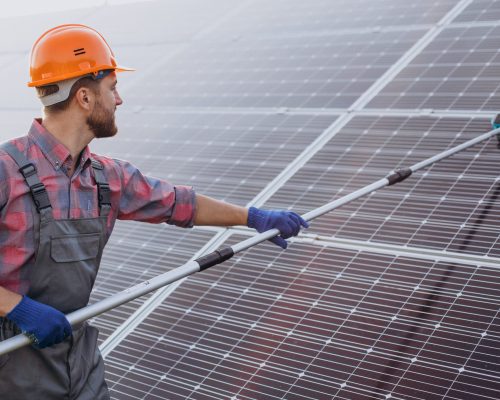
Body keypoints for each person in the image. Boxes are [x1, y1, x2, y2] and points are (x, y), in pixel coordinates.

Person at [0, 24, 308, 399]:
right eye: (112, 88)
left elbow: (179, 203)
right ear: (84, 96)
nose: (120, 100)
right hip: (10, 362)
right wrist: (18, 309)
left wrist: (253, 217)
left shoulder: (106, 177)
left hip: (75, 351)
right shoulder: (6, 170)